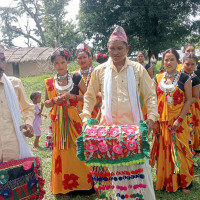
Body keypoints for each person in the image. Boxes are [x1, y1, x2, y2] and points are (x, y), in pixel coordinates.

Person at [80, 26, 159, 200]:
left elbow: (151, 96)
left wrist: (152, 118)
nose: (115, 52)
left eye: (120, 48)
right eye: (112, 48)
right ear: (107, 48)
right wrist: (86, 117)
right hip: (110, 134)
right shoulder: (100, 71)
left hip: (135, 132)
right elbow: (90, 96)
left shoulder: (138, 69)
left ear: (127, 48)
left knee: (141, 178)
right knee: (118, 180)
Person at [44, 49, 93, 195]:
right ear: (53, 65)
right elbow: (46, 103)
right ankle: (64, 187)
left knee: (78, 148)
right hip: (58, 121)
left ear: (67, 62)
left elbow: (88, 96)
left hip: (74, 119)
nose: (60, 66)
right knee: (62, 150)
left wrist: (73, 97)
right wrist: (54, 100)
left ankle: (84, 185)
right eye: (56, 63)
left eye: (63, 62)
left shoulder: (76, 77)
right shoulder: (49, 82)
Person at [150, 49, 193, 193]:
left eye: (172, 59)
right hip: (162, 123)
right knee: (164, 151)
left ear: (178, 61)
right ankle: (165, 181)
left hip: (178, 123)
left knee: (180, 151)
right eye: (166, 60)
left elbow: (188, 100)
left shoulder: (184, 78)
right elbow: (152, 101)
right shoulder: (157, 78)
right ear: (163, 61)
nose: (168, 62)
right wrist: (154, 121)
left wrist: (180, 120)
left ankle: (184, 182)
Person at [0, 44, 34, 163]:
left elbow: (27, 108)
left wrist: (29, 123)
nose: (0, 64)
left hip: (14, 149)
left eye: (2, 59)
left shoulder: (14, 84)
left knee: (19, 181)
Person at [75, 43, 102, 119]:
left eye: (84, 57)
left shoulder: (97, 73)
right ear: (76, 60)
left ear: (89, 58)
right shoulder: (73, 75)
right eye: (79, 58)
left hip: (96, 108)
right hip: (78, 111)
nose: (82, 60)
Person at [182, 54, 200, 156]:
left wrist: (184, 101)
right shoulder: (177, 76)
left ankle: (188, 155)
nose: (189, 67)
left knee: (188, 130)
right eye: (187, 64)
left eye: (192, 64)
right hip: (174, 108)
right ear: (182, 63)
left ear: (196, 65)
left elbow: (195, 97)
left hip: (189, 109)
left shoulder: (195, 79)